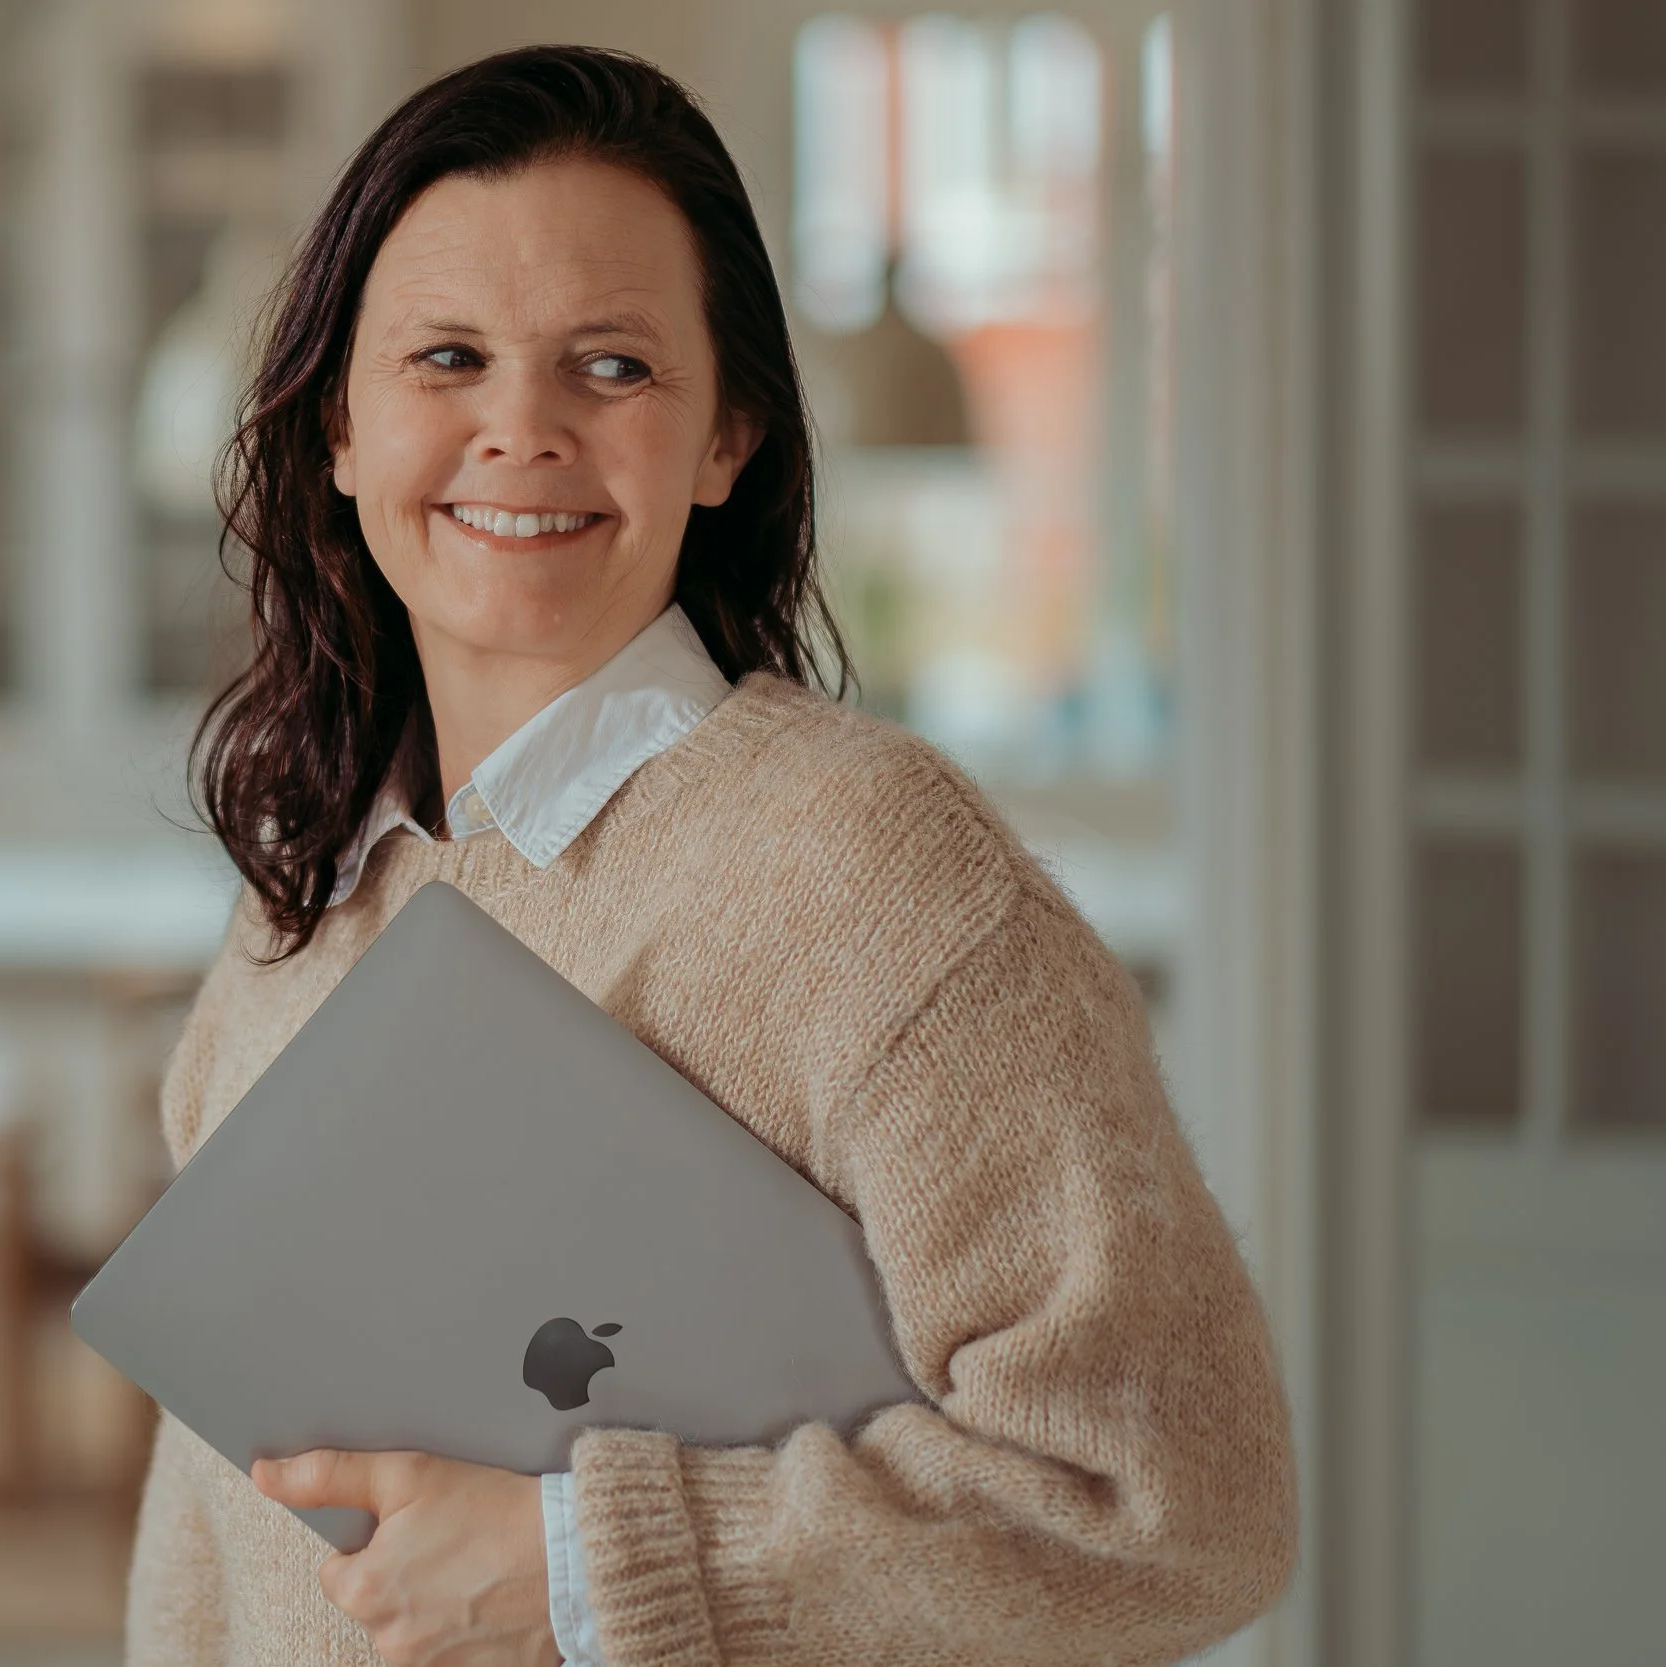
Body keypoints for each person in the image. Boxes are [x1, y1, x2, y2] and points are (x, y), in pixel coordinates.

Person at [125, 44, 1296, 1667]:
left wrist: (578, 1560)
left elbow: (1176, 1501)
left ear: (729, 434)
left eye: (609, 366)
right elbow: (207, 1540)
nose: (519, 427)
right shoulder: (299, 923)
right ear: (337, 428)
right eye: (447, 356)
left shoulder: (880, 873)